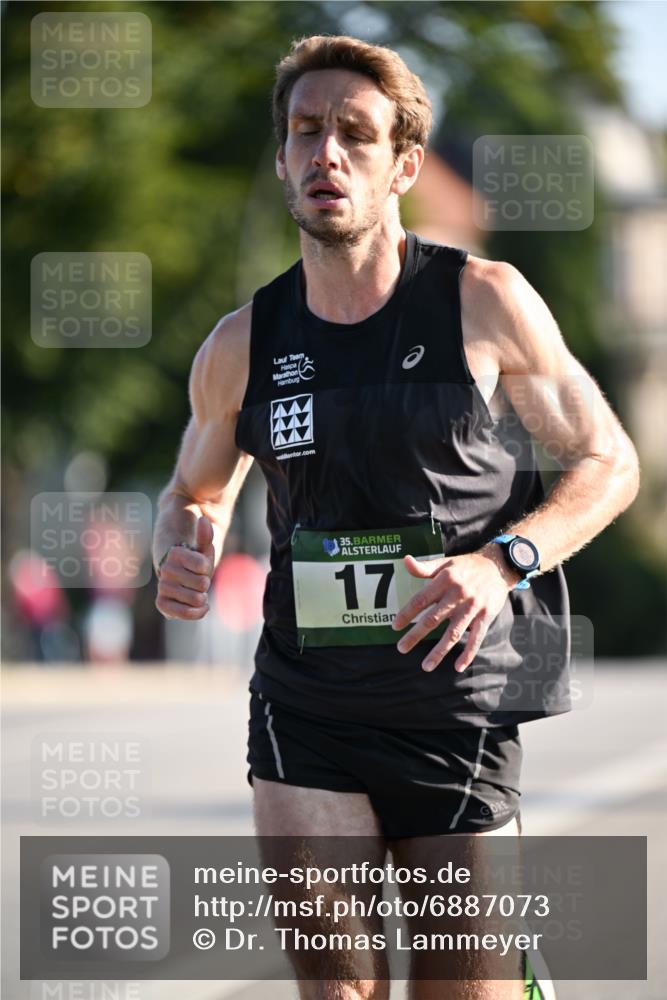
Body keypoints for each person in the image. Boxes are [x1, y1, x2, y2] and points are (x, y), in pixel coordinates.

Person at [153, 34, 640, 1000]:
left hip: (452, 707)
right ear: (284, 159)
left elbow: (607, 461)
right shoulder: (242, 343)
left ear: (404, 165)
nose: (325, 152)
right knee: (336, 990)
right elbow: (192, 494)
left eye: (354, 134)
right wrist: (183, 544)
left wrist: (501, 562)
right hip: (306, 706)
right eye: (303, 132)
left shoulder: (482, 302)